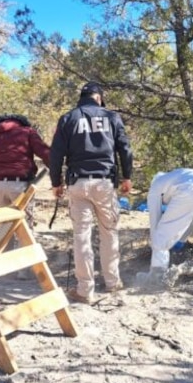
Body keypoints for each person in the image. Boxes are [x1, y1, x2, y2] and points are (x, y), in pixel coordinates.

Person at [49, 82, 133, 304]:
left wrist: (55, 182)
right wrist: (127, 177)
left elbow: (56, 154)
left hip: (78, 183)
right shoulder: (112, 117)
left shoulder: (68, 118)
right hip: (105, 183)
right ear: (99, 98)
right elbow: (125, 148)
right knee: (109, 232)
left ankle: (85, 290)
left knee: (82, 236)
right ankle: (113, 282)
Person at [0, 114, 50, 223]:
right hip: (20, 185)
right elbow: (45, 153)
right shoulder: (28, 132)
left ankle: (3, 240)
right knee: (23, 225)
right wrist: (58, 176)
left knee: (3, 226)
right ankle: (23, 241)